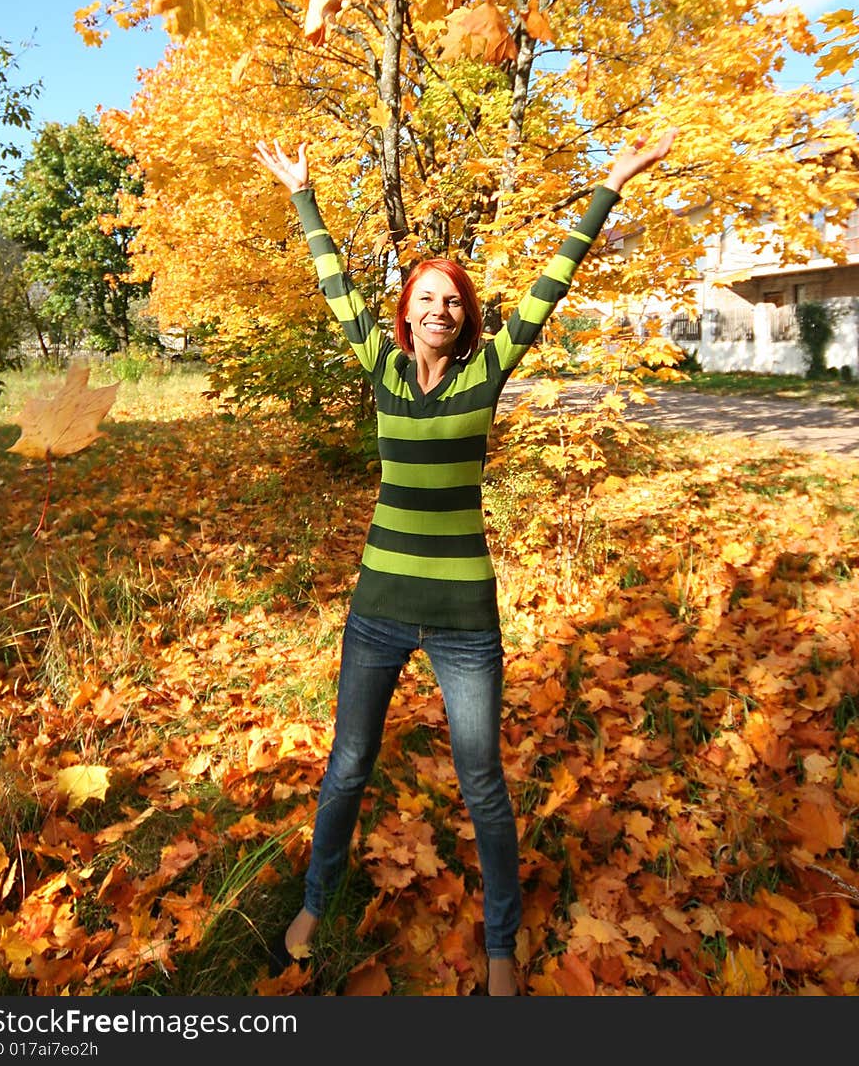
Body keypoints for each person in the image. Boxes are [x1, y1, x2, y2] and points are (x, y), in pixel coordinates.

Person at [254, 127, 675, 995]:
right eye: (427, 299)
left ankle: (499, 949)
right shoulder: (380, 367)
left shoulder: (485, 374)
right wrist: (304, 195)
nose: (440, 310)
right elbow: (333, 288)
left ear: (464, 317)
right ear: (406, 312)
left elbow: (549, 288)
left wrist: (610, 185)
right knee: (348, 766)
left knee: (482, 783)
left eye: (454, 301)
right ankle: (314, 903)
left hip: (462, 621)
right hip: (376, 610)